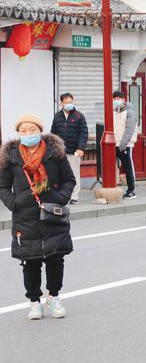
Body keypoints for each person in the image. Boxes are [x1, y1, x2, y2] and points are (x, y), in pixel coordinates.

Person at [0, 113, 75, 320]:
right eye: (23, 131)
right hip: (25, 217)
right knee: (30, 261)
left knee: (55, 259)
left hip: (52, 214)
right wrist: (13, 203)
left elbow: (69, 180)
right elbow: (3, 186)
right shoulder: (11, 157)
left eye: (31, 130)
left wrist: (60, 198)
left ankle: (53, 296)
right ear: (18, 133)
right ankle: (34, 302)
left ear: (39, 130)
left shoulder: (54, 153)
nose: (28, 134)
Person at [50, 93, 87, 204]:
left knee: (74, 173)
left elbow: (84, 133)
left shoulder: (79, 116)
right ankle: (62, 194)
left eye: (71, 102)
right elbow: (53, 133)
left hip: (74, 151)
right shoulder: (57, 116)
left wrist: (81, 148)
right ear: (61, 103)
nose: (69, 104)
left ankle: (74, 196)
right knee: (59, 174)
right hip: (60, 151)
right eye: (66, 102)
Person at [112, 91, 137, 198]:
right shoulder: (113, 111)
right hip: (114, 144)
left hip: (125, 144)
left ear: (123, 99)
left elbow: (129, 129)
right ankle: (112, 187)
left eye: (119, 98)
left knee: (128, 167)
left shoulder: (129, 112)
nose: (116, 100)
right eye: (115, 98)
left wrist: (123, 143)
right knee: (112, 167)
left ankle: (131, 189)